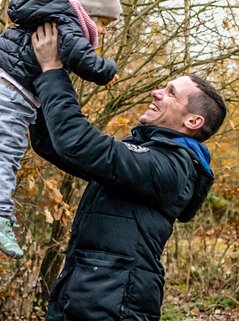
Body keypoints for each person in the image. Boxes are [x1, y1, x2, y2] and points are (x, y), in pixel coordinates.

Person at [29, 23, 226, 321]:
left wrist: (52, 71)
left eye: (170, 92)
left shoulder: (174, 168)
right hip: (84, 296)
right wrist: (35, 77)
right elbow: (54, 145)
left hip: (114, 307)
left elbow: (77, 144)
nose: (156, 92)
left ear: (193, 121)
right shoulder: (148, 156)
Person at [0, 0, 121, 259]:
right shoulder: (67, 23)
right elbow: (82, 58)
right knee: (7, 159)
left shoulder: (54, 19)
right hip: (8, 102)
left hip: (4, 100)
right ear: (87, 10)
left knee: (1, 156)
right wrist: (107, 70)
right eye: (104, 23)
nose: (104, 31)